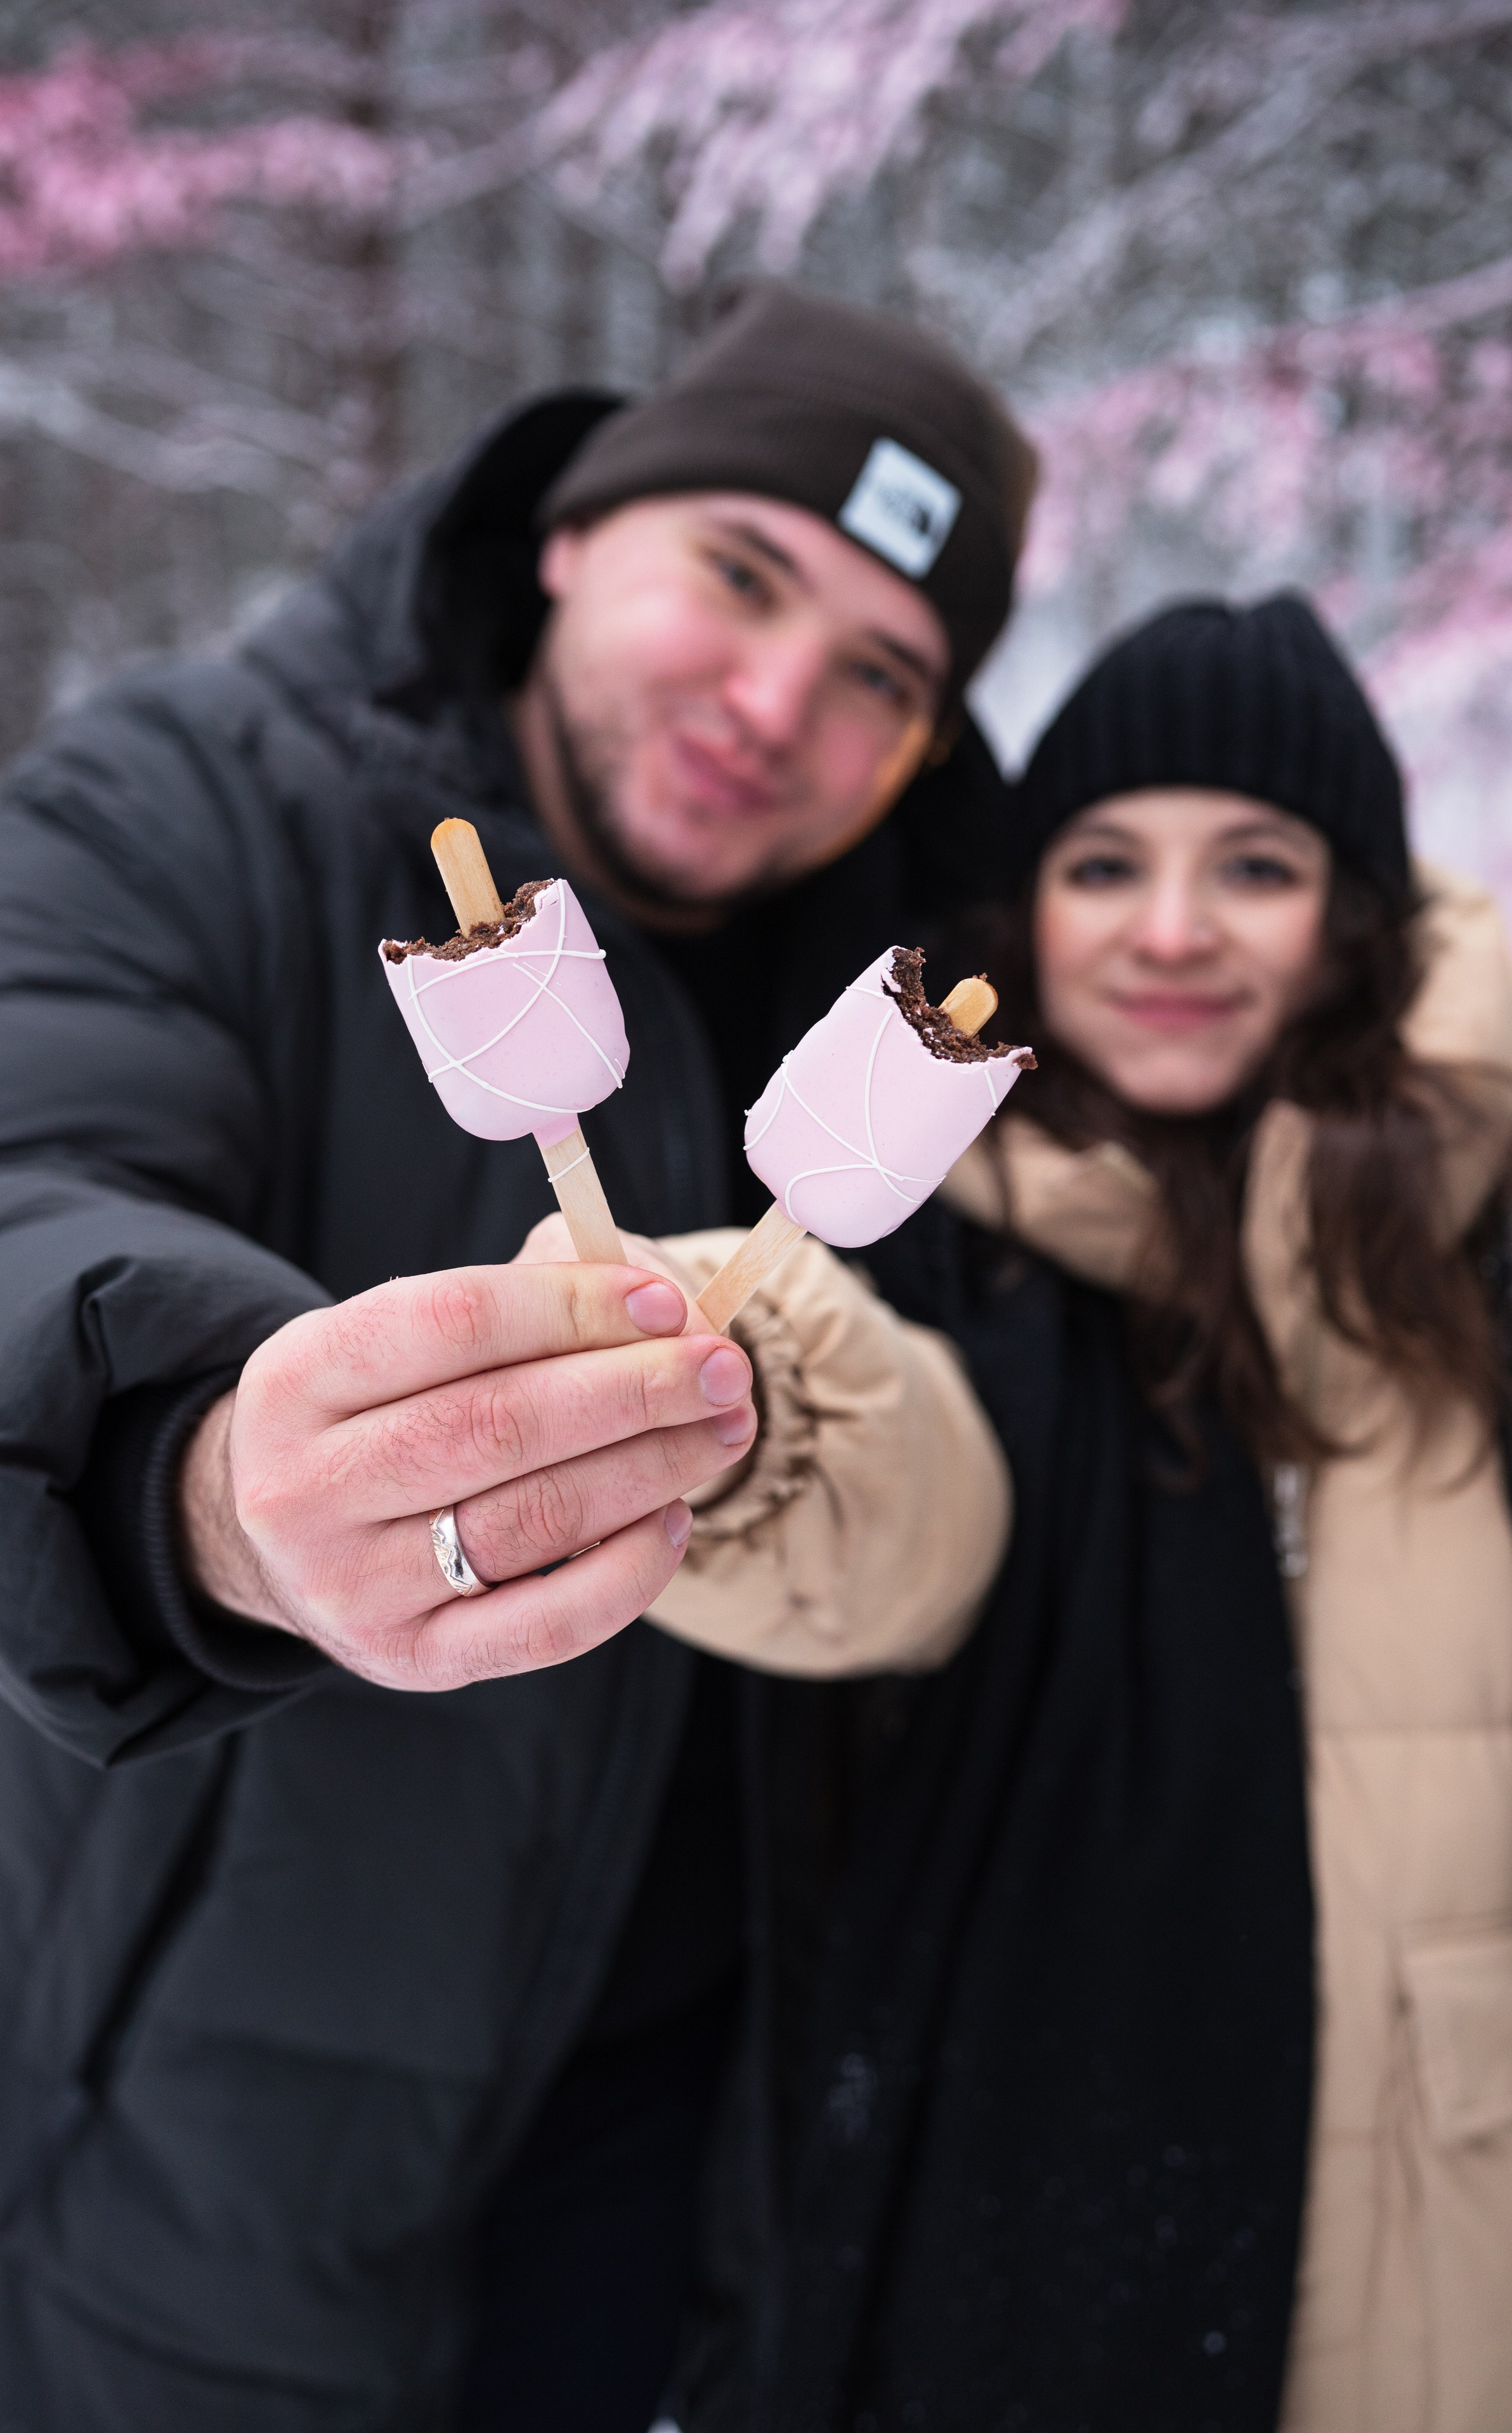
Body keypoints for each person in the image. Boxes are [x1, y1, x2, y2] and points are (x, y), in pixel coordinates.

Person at [0, 283, 1033, 2430]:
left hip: (686, 2192)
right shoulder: (186, 803)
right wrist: (206, 1477)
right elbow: (27, 1179)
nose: (775, 702)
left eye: (879, 680)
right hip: (195, 2180)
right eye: (741, 575)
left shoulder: (935, 1008)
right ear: (577, 525)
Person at [686, 596, 1512, 2433]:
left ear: (1353, 910)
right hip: (1071, 2252)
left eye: (1253, 866)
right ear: (1027, 904)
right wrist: (732, 1406)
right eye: (1105, 863)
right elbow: (892, 1486)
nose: (1173, 930)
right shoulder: (955, 1248)